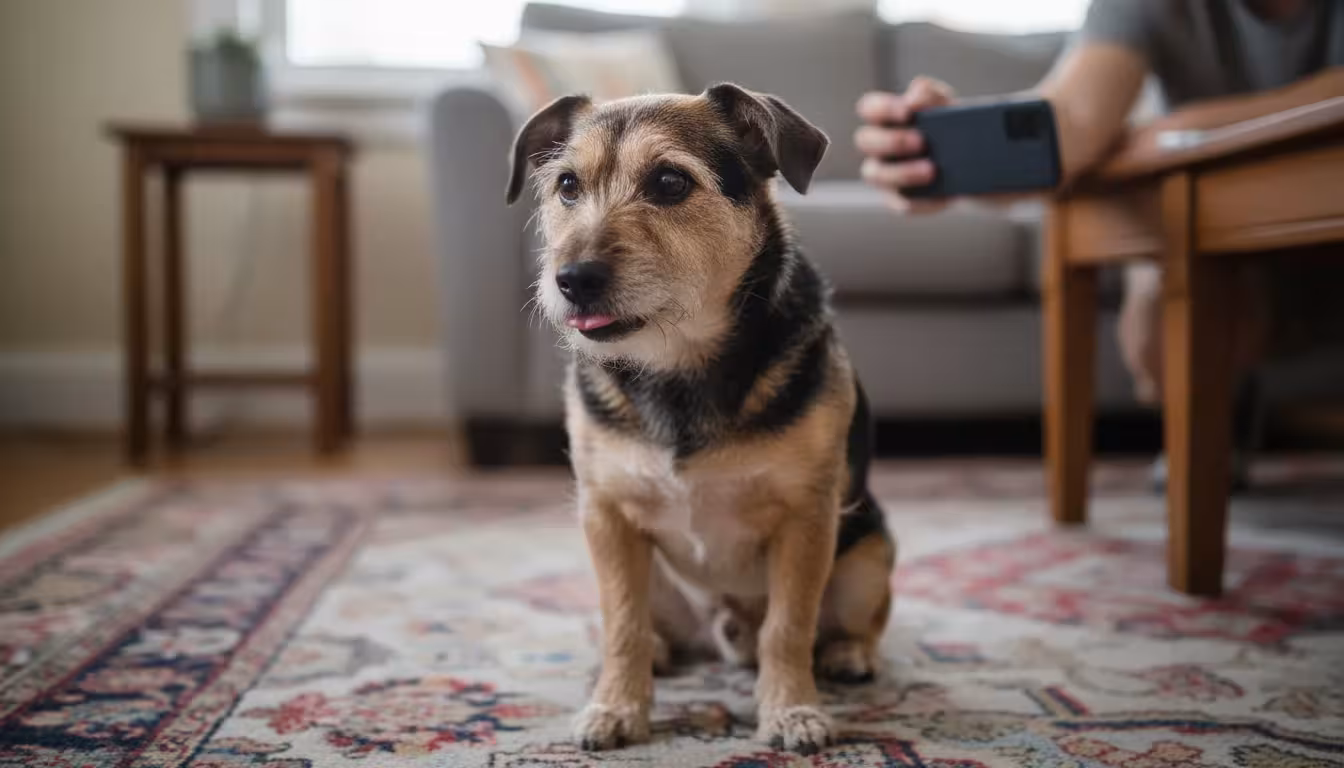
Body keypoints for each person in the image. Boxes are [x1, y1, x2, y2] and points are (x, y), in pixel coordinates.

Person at [856, 0, 1344, 485]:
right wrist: (949, 161)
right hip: (1223, 230)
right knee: (1161, 315)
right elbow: (1074, 121)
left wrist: (1178, 133)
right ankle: (1222, 412)